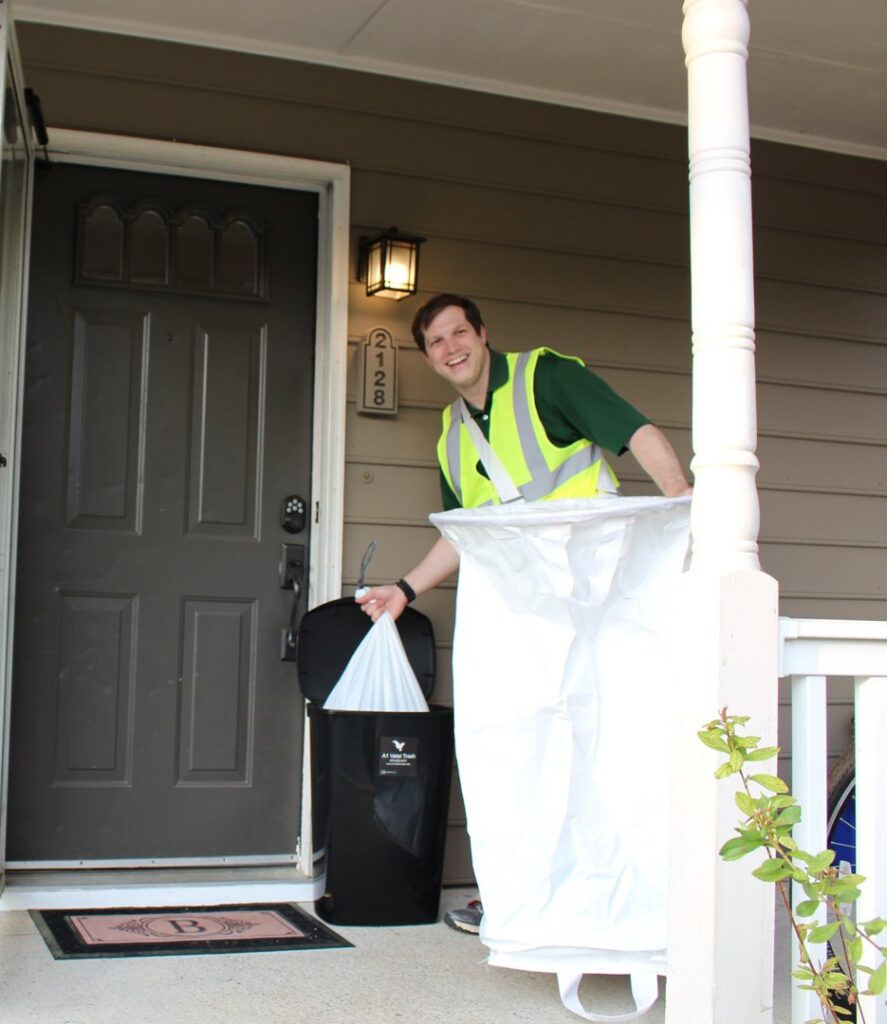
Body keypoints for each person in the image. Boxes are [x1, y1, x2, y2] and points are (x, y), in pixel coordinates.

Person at [356, 293, 691, 933]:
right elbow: (463, 532)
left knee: (608, 745)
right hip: (523, 619)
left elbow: (635, 433)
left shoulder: (546, 378)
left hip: (596, 601)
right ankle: (523, 897)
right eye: (437, 342)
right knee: (519, 750)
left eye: (461, 332)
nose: (452, 347)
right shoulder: (453, 437)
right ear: (427, 357)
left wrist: (680, 500)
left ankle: (634, 908)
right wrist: (404, 590)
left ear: (483, 334)